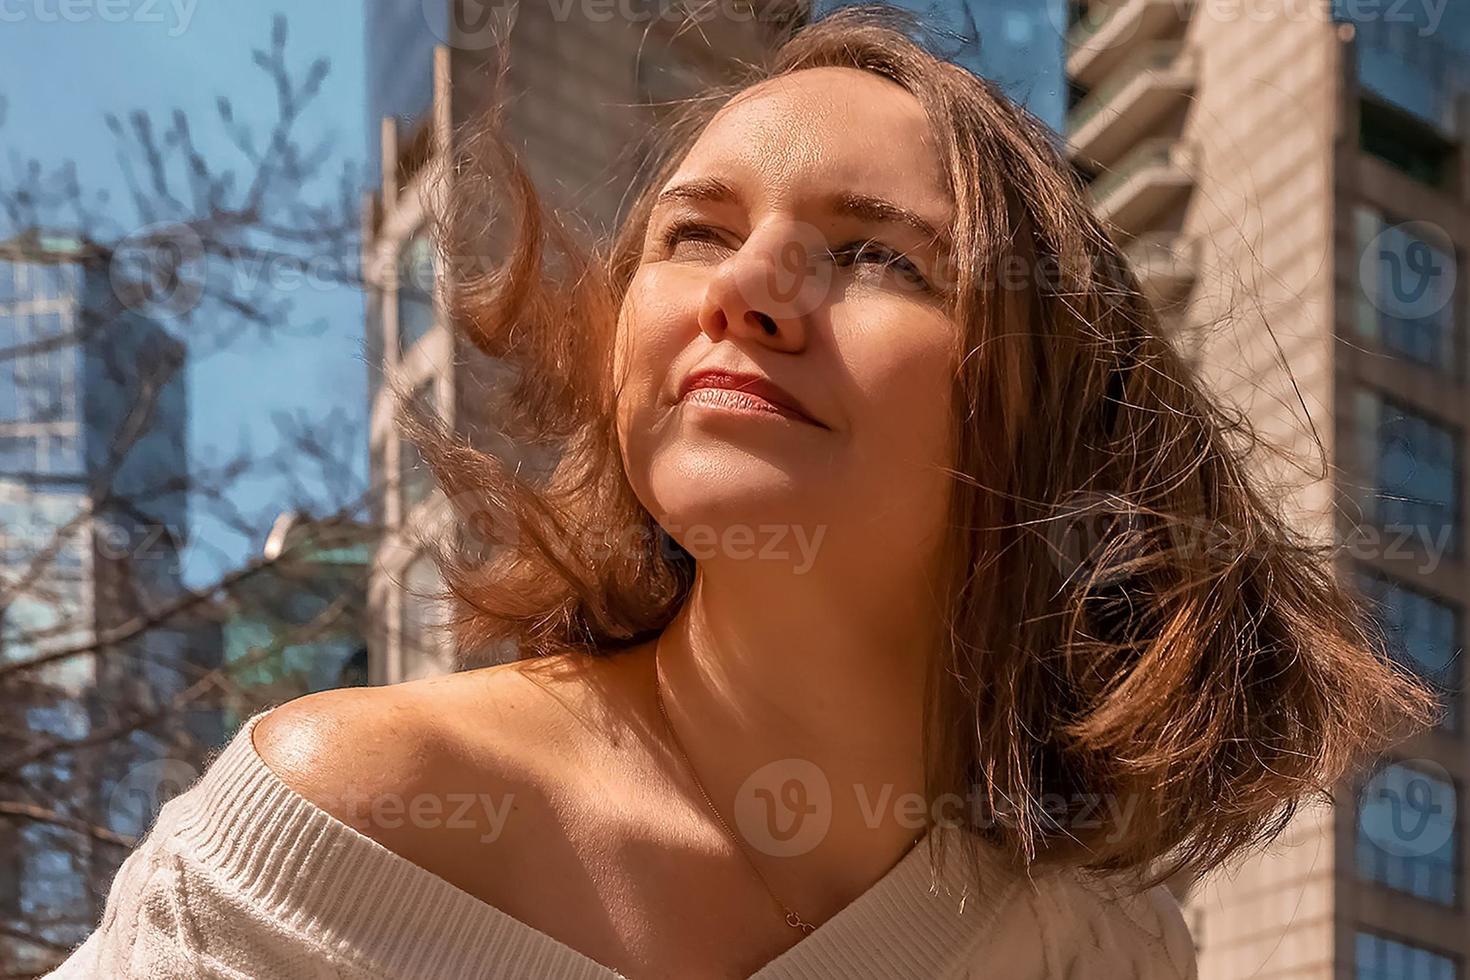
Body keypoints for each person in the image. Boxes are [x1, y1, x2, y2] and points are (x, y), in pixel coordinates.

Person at [45, 7, 1434, 979]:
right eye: (694, 232)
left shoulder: (1094, 951)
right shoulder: (342, 824)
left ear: (1050, 415)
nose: (745, 291)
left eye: (878, 256)